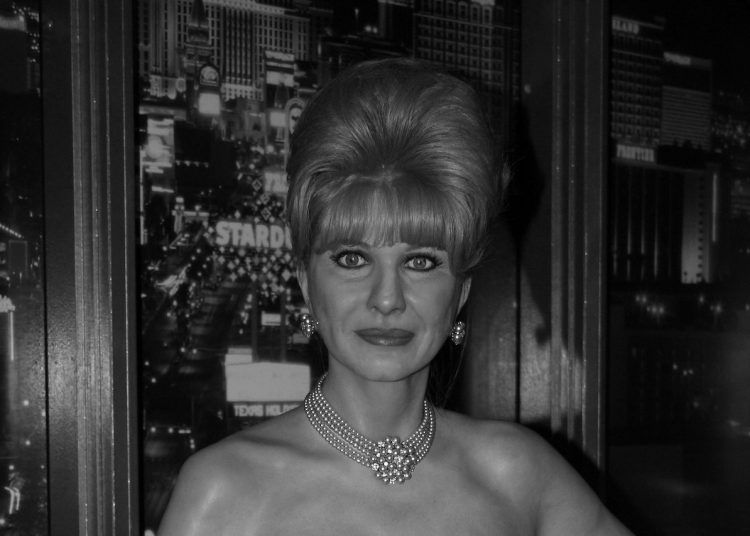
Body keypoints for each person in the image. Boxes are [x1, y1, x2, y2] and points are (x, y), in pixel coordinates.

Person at [158, 58, 633, 535]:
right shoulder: (222, 493)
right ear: (305, 281)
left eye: (420, 262)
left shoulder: (518, 474)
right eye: (352, 259)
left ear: (461, 290)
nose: (387, 299)